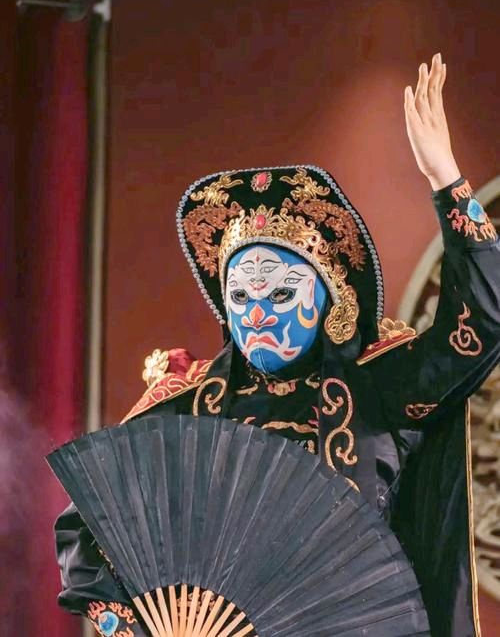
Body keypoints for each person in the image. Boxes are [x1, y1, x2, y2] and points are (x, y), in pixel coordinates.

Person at [54, 53, 500, 636]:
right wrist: (125, 625)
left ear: (329, 299)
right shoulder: (185, 408)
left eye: (282, 293)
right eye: (240, 296)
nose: (258, 313)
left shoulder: (380, 387)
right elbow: (88, 522)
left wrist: (446, 181)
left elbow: (481, 325)